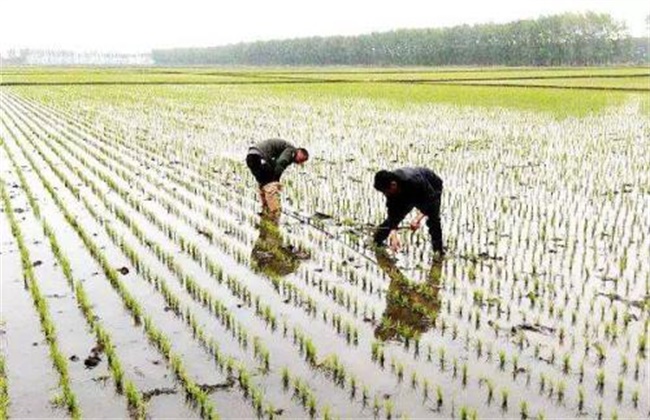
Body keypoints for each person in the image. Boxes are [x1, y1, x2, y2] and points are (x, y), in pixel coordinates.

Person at [373, 247, 442, 341]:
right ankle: (438, 259)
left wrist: (403, 293)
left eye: (381, 326)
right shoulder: (408, 332)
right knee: (432, 288)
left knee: (396, 277)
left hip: (404, 297)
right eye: (384, 328)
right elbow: (426, 324)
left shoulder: (387, 319)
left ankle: (379, 250)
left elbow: (392, 303)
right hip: (418, 304)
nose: (383, 324)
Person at [372, 167, 444, 256]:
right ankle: (377, 240)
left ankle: (438, 251)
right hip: (407, 190)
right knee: (396, 216)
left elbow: (432, 202)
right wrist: (393, 232)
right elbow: (392, 212)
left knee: (434, 220)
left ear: (393, 185)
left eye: (386, 192)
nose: (386, 195)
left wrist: (417, 219)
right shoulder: (390, 187)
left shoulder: (414, 182)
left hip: (431, 187)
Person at [246, 139, 309, 221]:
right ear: (299, 152)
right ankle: (274, 215)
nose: (300, 163)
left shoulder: (287, 151)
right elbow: (280, 164)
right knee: (271, 186)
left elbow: (275, 164)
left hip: (251, 157)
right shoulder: (291, 151)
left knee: (264, 184)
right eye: (301, 160)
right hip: (258, 157)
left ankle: (266, 210)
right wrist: (275, 182)